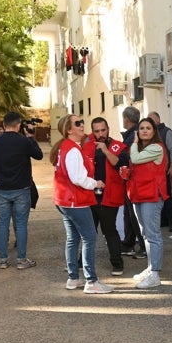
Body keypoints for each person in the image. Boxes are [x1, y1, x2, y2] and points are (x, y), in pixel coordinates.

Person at [51, 114, 113, 294]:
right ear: (69, 130)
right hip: (75, 201)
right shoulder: (72, 150)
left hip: (64, 200)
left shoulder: (65, 147)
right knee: (89, 237)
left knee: (73, 238)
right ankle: (91, 281)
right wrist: (96, 183)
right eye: (77, 123)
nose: (81, 125)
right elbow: (77, 178)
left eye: (81, 122)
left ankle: (73, 278)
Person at [0, 111, 43, 270]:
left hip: (2, 188)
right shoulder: (23, 141)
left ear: (4, 125)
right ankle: (21, 260)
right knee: (21, 224)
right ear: (19, 124)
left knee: (3, 223)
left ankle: (3, 260)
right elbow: (39, 155)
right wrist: (31, 137)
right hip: (21, 188)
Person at [83, 117, 129, 276]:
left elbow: (121, 165)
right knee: (88, 232)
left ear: (108, 128)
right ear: (92, 132)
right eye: (97, 131)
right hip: (90, 196)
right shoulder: (87, 147)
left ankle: (117, 264)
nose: (100, 134)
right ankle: (81, 262)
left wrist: (105, 150)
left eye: (103, 130)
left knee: (109, 231)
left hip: (110, 196)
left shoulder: (118, 146)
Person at [126, 117, 169, 288]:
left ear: (154, 131)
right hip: (139, 195)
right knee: (145, 234)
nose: (144, 131)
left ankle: (155, 274)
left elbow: (135, 159)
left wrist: (134, 142)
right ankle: (151, 268)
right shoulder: (142, 149)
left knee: (153, 235)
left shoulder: (156, 147)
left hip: (151, 196)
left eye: (148, 128)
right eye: (142, 128)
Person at [119, 106, 147, 258]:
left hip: (134, 179)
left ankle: (142, 246)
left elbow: (128, 157)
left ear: (126, 119)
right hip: (130, 179)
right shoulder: (132, 134)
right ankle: (129, 242)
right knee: (128, 213)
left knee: (134, 214)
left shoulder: (133, 136)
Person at [148, 111, 172, 232]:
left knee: (167, 197)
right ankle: (164, 220)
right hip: (154, 171)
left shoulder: (167, 131)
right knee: (158, 196)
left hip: (164, 170)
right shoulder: (151, 133)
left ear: (158, 120)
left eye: (151, 119)